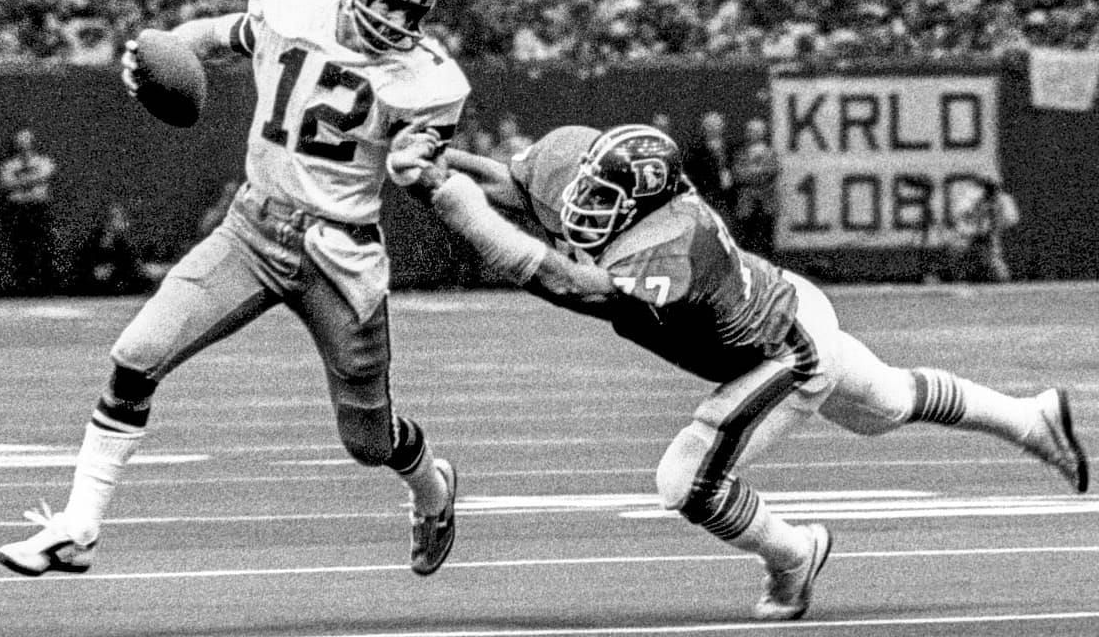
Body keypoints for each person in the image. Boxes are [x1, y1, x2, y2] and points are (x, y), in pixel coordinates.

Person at [388, 122, 1088, 621]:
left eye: (601, 200)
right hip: (785, 300)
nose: (579, 205)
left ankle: (793, 553)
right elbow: (517, 182)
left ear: (646, 206)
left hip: (780, 354)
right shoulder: (592, 171)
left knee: (686, 481)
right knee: (889, 403)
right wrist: (445, 161)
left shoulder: (671, 245)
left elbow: (573, 287)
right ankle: (1031, 417)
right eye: (586, 188)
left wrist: (457, 207)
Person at [0, 0, 468, 580]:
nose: (396, 21)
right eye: (386, 2)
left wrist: (422, 166)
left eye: (411, 13)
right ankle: (78, 527)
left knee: (369, 441)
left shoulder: (431, 82)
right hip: (252, 228)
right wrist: (165, 51)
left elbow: (421, 167)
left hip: (340, 254)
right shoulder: (293, 1)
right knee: (137, 355)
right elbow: (228, 33)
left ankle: (432, 493)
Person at [0, 126, 59, 296]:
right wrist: (32, 181)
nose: (23, 146)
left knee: (43, 246)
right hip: (19, 210)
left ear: (32, 143)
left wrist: (21, 182)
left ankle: (46, 288)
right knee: (22, 248)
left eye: (26, 142)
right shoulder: (9, 165)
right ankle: (25, 288)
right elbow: (5, 184)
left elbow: (46, 176)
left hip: (39, 208)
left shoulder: (43, 161)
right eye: (20, 142)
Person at [74, 201, 151, 296]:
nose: (120, 221)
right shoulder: (93, 240)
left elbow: (131, 265)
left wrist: (112, 268)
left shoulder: (124, 242)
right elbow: (84, 263)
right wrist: (96, 270)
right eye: (115, 218)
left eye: (120, 217)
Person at [730, 117, 781, 259]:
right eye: (751, 131)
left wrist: (753, 173)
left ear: (763, 133)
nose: (754, 134)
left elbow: (772, 171)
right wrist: (757, 173)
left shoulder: (771, 153)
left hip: (767, 200)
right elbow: (738, 174)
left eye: (757, 131)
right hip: (746, 201)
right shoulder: (740, 153)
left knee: (766, 236)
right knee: (746, 236)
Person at [682, 111, 734, 222]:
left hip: (729, 199)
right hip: (706, 196)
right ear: (704, 127)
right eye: (710, 125)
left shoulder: (731, 147)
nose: (714, 128)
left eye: (717, 124)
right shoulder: (696, 150)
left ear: (723, 126)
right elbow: (692, 174)